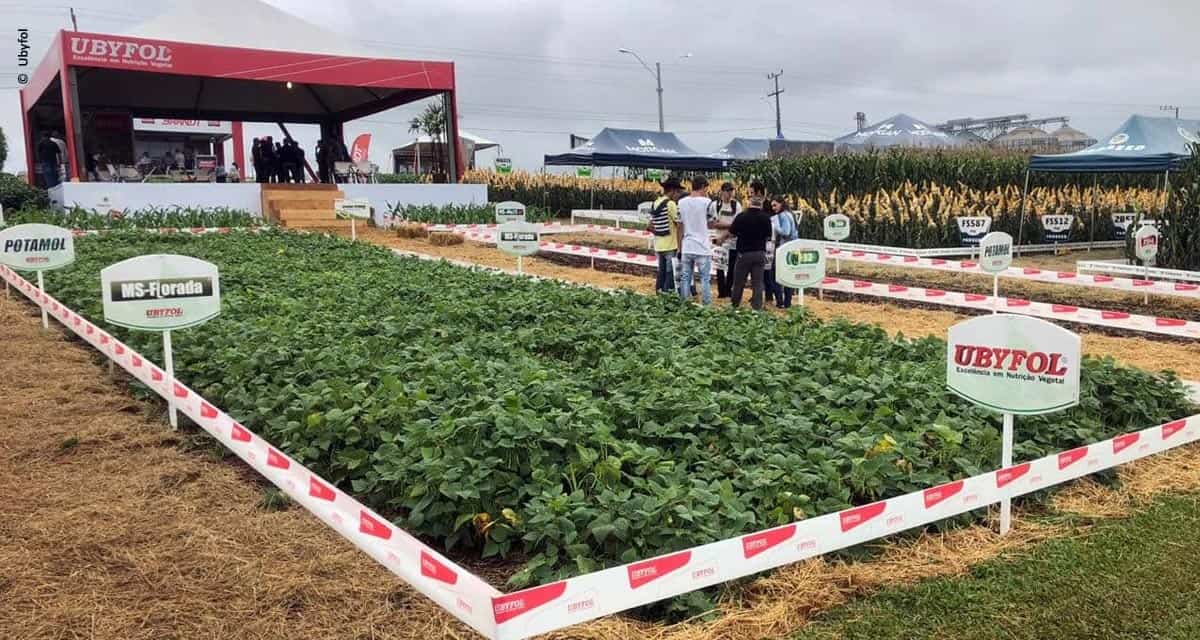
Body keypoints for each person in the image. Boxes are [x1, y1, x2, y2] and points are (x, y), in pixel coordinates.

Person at [725, 192, 773, 310]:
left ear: (750, 202)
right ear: (761, 204)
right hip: (760, 253)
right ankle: (756, 308)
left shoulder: (742, 216)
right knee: (757, 283)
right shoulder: (766, 218)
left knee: (739, 282)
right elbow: (768, 236)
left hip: (744, 254)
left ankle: (735, 305)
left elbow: (732, 233)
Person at [677, 176, 716, 305]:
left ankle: (684, 304)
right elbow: (711, 223)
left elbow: (679, 226)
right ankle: (706, 305)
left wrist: (679, 247)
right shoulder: (707, 202)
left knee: (685, 278)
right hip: (703, 247)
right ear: (703, 187)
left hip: (687, 246)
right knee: (705, 279)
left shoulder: (681, 203)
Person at [648, 177, 684, 294]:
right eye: (678, 192)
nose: (678, 195)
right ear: (673, 190)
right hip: (671, 245)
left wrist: (659, 232)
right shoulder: (671, 204)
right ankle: (667, 298)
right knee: (670, 275)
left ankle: (659, 295)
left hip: (659, 245)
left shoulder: (655, 203)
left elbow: (650, 226)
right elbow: (679, 225)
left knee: (661, 273)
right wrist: (680, 246)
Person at [709, 182, 742, 298]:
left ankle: (728, 290)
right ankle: (721, 291)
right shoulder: (715, 205)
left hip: (732, 241)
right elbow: (713, 224)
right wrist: (730, 226)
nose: (729, 193)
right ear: (722, 191)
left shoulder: (736, 205)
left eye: (731, 191)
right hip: (719, 241)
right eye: (727, 191)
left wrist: (724, 226)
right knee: (719, 267)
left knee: (732, 268)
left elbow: (737, 225)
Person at [769, 196, 801, 308]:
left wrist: (775, 225)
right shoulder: (790, 214)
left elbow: (786, 232)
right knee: (789, 275)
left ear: (781, 204)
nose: (773, 208)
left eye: (775, 205)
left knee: (773, 275)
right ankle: (788, 302)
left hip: (784, 248)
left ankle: (780, 301)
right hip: (792, 248)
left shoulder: (782, 216)